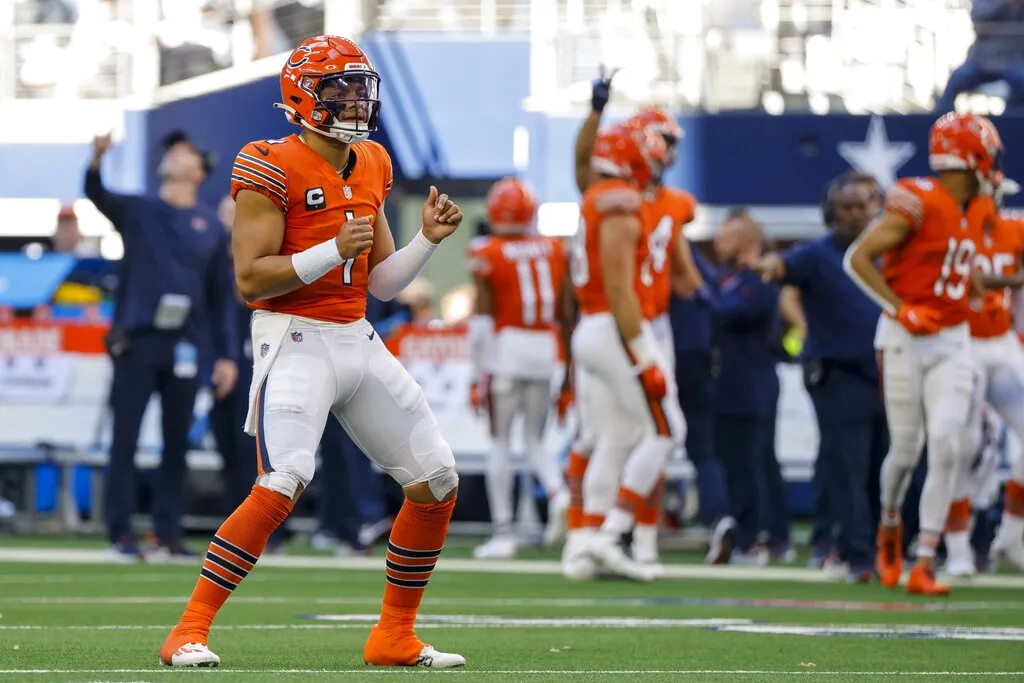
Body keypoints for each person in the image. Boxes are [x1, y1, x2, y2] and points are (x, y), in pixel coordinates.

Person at [159, 35, 465, 669]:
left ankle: (393, 636)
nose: (355, 99)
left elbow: (380, 281)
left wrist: (427, 242)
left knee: (436, 480)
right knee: (282, 481)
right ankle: (187, 630)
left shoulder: (373, 161)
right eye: (340, 89)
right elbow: (250, 280)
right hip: (293, 338)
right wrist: (332, 250)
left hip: (357, 334)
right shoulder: (269, 162)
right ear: (305, 97)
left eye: (360, 87)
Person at [844, 112, 1003, 595]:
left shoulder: (977, 208)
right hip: (904, 336)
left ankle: (926, 559)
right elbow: (857, 258)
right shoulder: (918, 200)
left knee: (950, 441)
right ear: (971, 156)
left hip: (954, 339)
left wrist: (985, 291)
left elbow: (958, 263)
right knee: (907, 450)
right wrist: (902, 307)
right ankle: (890, 524)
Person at [85, 129, 239, 561]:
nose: (172, 156)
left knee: (177, 443)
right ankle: (120, 533)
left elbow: (218, 300)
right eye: (171, 151)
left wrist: (226, 355)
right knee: (125, 439)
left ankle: (167, 533)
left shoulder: (209, 227)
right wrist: (97, 158)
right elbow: (96, 193)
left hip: (186, 346)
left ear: (198, 170)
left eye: (183, 152)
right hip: (138, 342)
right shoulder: (139, 210)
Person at [753, 175, 888, 582]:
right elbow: (781, 269)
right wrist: (767, 264)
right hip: (838, 373)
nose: (852, 214)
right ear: (831, 213)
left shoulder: (887, 251)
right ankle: (857, 555)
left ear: (874, 207)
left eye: (860, 206)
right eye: (845, 207)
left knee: (883, 467)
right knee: (848, 465)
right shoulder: (815, 253)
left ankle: (882, 548)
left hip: (884, 372)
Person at [567, 123, 685, 581]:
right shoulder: (618, 200)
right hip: (612, 327)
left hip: (595, 328)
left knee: (615, 437)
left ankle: (584, 547)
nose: (657, 167)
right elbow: (620, 288)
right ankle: (611, 535)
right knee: (667, 429)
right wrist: (642, 352)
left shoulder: (599, 195)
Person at [466, 177, 570, 559]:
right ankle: (559, 496)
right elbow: (565, 309)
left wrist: (478, 374)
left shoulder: (488, 251)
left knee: (500, 442)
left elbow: (482, 317)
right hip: (545, 346)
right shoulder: (554, 248)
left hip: (507, 348)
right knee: (534, 440)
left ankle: (503, 532)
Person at [709, 212, 780, 563]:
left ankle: (755, 538)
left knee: (752, 463)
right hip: (726, 383)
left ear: (746, 240)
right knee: (732, 463)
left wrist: (697, 289)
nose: (718, 243)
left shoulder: (759, 278)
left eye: (727, 236)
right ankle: (740, 532)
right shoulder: (726, 277)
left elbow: (726, 311)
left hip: (752, 383)